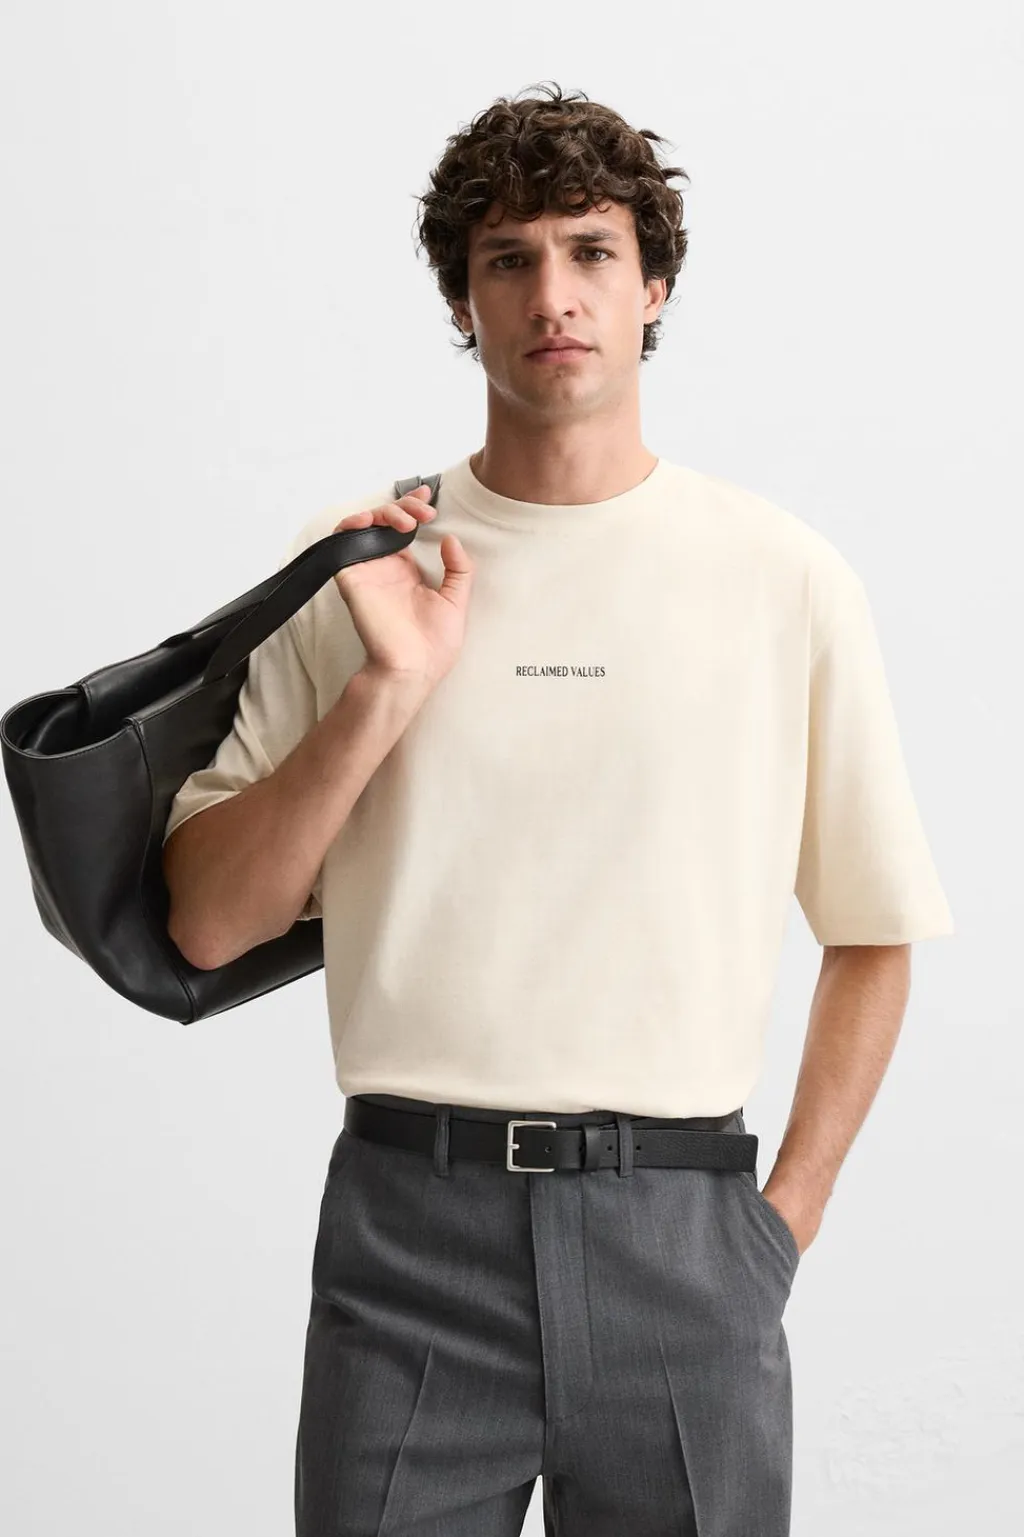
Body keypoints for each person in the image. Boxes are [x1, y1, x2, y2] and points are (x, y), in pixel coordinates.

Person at [161, 82, 954, 1537]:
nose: (553, 296)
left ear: (655, 287)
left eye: (592, 252)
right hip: (411, 1236)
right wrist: (384, 691)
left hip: (686, 1239)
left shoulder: (781, 577)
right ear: (462, 302)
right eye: (508, 259)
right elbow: (208, 924)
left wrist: (782, 1226)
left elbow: (875, 931)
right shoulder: (362, 567)